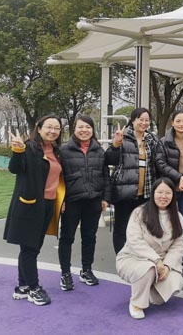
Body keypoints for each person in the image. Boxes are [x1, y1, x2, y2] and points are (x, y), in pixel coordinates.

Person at [4, 115, 65, 306]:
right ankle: (33, 288)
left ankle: (22, 287)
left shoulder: (56, 151)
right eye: (49, 127)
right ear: (39, 128)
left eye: (56, 128)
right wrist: (17, 150)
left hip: (48, 205)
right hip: (30, 205)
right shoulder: (29, 147)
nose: (53, 131)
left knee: (32, 247)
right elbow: (15, 168)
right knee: (30, 248)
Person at [116, 178, 183, 319]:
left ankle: (148, 290)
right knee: (148, 269)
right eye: (160, 192)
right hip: (133, 258)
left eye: (168, 193)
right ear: (153, 193)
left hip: (163, 262)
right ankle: (136, 303)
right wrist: (156, 260)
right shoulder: (139, 213)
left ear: (173, 195)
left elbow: (178, 245)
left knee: (171, 285)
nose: (163, 196)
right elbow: (135, 241)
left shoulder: (178, 217)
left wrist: (167, 266)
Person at [58, 115, 110, 291]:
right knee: (67, 237)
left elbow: (105, 176)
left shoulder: (99, 151)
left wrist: (105, 198)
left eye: (88, 127)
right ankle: (65, 273)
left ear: (92, 130)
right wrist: (60, 200)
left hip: (93, 201)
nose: (84, 130)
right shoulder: (63, 150)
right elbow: (58, 177)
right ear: (74, 128)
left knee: (89, 237)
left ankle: (86, 270)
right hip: (71, 201)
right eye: (80, 127)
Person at [106, 107, 159, 254]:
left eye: (147, 120)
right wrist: (116, 144)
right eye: (140, 119)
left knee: (143, 228)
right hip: (125, 192)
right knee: (121, 228)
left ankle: (138, 257)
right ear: (133, 120)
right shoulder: (123, 136)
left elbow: (157, 163)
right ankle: (121, 257)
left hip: (146, 193)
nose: (144, 123)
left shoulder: (152, 139)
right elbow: (109, 159)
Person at [155, 109, 183, 237]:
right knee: (166, 223)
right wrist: (179, 177)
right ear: (172, 123)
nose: (181, 124)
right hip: (168, 187)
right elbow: (160, 163)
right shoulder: (164, 141)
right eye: (178, 121)